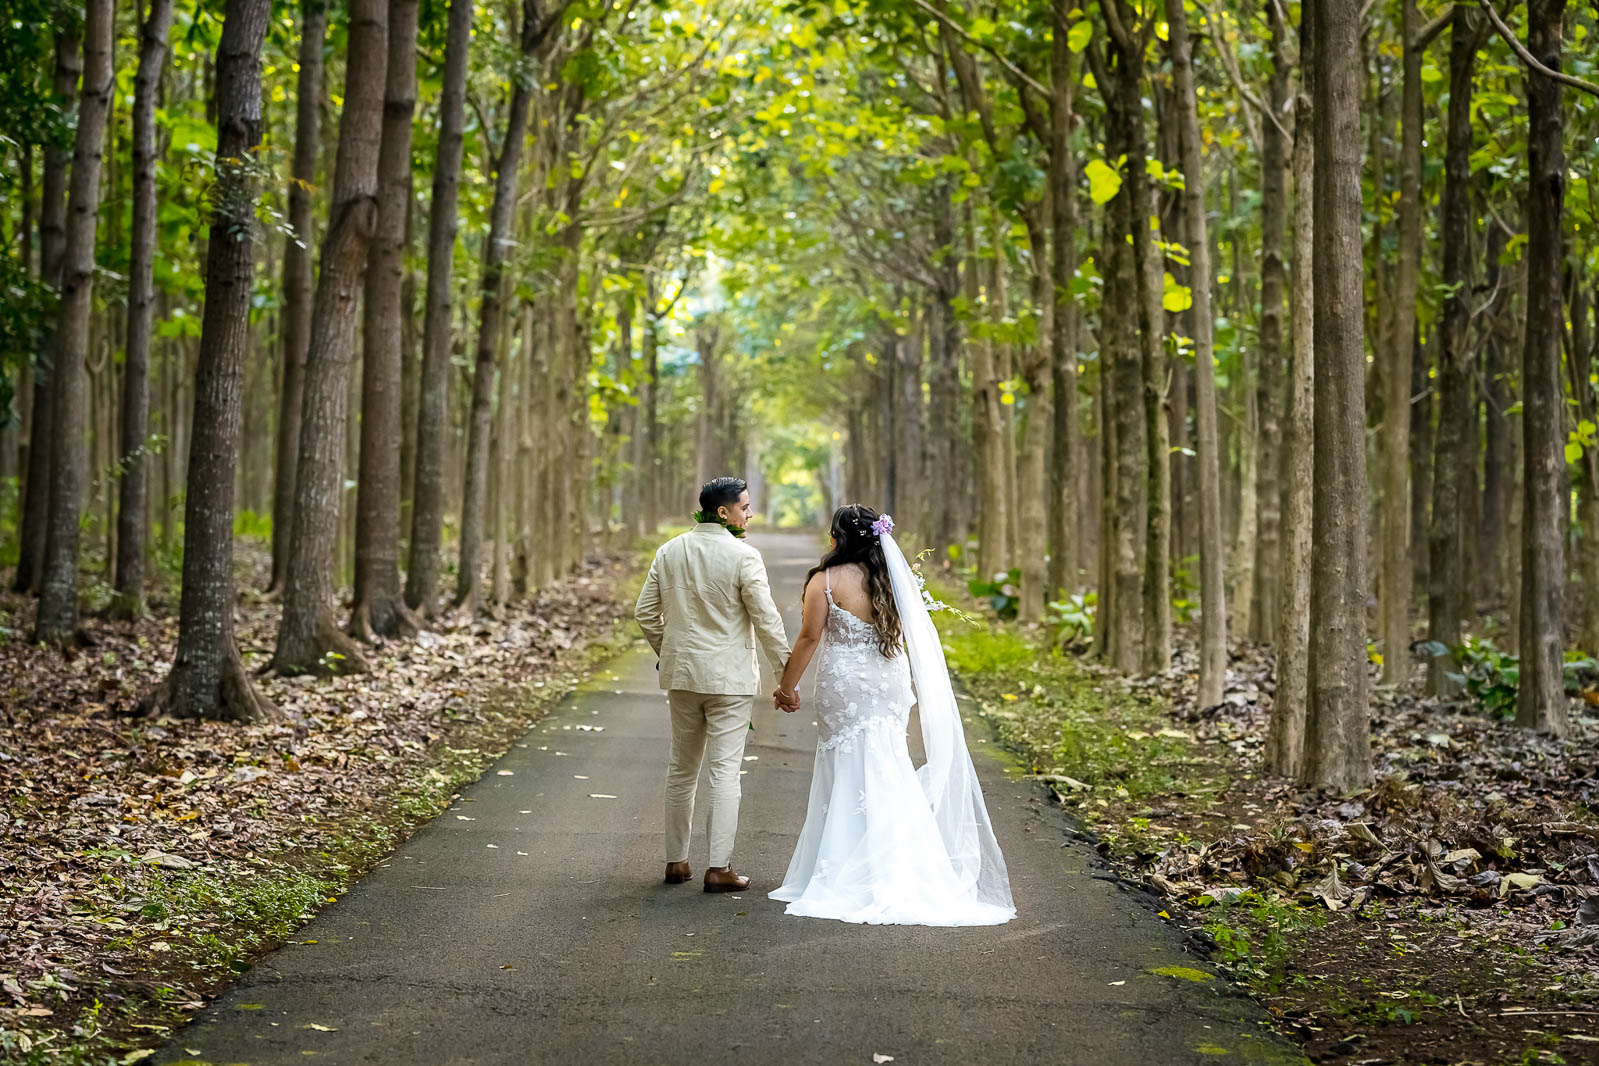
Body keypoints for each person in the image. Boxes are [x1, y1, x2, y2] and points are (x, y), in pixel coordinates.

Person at [769, 504, 1015, 925]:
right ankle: (902, 863)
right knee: (888, 762)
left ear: (838, 538)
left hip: (844, 685)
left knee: (845, 761)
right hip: (887, 682)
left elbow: (809, 637)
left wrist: (786, 686)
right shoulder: (892, 581)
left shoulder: (824, 581)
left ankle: (842, 866)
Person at [634, 476, 793, 893]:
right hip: (729, 681)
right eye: (744, 506)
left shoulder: (669, 551)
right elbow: (766, 619)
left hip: (683, 677)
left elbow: (645, 614)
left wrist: (668, 653)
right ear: (723, 512)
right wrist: (786, 675)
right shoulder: (744, 556)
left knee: (681, 770)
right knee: (724, 772)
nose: (750, 513)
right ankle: (719, 868)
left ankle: (676, 862)